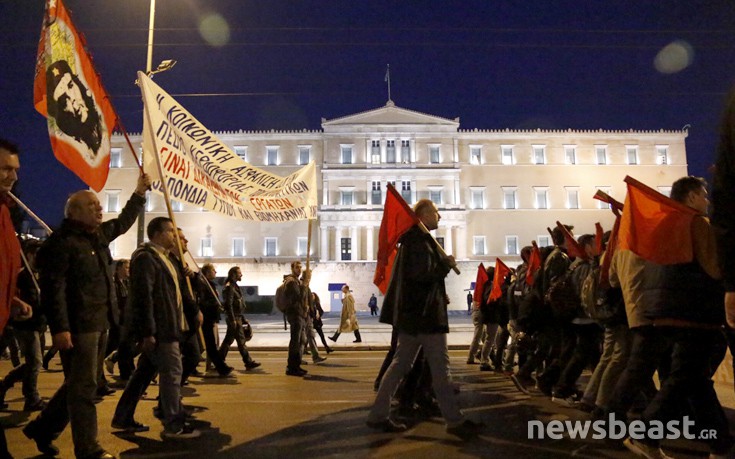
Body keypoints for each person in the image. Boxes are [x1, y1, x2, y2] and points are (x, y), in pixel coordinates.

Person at [23, 172, 149, 459]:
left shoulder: (98, 236)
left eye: (99, 205)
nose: (99, 209)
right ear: (74, 211)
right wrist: (60, 329)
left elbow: (123, 221)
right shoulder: (61, 243)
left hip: (102, 323)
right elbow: (53, 290)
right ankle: (88, 449)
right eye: (92, 206)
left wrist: (140, 193)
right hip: (79, 328)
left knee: (77, 385)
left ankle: (42, 429)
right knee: (84, 390)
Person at [623, 177, 733, 458]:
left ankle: (720, 444)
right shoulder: (695, 223)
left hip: (666, 310)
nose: (706, 201)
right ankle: (646, 433)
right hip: (694, 311)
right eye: (703, 195)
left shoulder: (663, 225)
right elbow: (714, 269)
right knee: (686, 376)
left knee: (693, 378)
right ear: (692, 196)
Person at [367, 199, 482, 438]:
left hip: (415, 317)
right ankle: (455, 420)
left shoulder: (415, 241)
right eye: (436, 212)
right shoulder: (419, 242)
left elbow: (418, 279)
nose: (440, 217)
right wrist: (445, 266)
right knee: (440, 368)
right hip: (426, 317)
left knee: (401, 366)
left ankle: (378, 415)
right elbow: (422, 277)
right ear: (425, 215)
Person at [112, 217, 201, 439]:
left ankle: (123, 417)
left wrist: (192, 312)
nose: (174, 236)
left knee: (142, 375)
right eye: (171, 231)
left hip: (171, 326)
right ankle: (173, 424)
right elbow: (145, 297)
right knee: (172, 374)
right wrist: (148, 332)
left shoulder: (167, 258)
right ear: (158, 234)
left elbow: (180, 291)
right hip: (162, 329)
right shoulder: (145, 258)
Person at [0, 139, 32, 459]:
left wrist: (12, 300)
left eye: (15, 170)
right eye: (6, 169)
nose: (13, 176)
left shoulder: (5, 213)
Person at [219, 266, 260, 371]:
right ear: (233, 274)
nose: (241, 275)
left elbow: (237, 305)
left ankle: (218, 360)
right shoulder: (230, 287)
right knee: (240, 341)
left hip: (237, 317)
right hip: (234, 318)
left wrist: (242, 318)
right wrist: (233, 319)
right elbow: (229, 304)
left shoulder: (234, 286)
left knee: (229, 340)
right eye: (239, 273)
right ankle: (248, 362)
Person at [197, 263, 233, 376]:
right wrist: (215, 305)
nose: (215, 272)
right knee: (209, 345)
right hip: (206, 318)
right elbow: (203, 302)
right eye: (213, 270)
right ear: (207, 273)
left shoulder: (209, 284)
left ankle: (220, 367)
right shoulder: (204, 285)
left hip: (210, 318)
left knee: (207, 345)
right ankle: (222, 368)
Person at [282, 261, 310, 377]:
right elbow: (299, 296)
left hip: (299, 314)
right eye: (297, 267)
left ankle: (296, 365)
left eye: (300, 267)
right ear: (292, 268)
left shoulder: (296, 281)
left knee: (299, 341)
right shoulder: (291, 282)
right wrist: (304, 284)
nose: (299, 269)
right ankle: (291, 367)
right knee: (295, 342)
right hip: (295, 314)